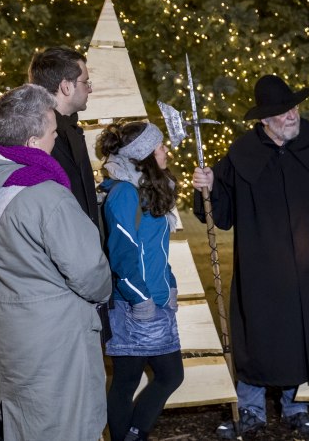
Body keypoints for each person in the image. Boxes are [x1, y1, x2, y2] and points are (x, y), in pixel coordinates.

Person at [192, 74, 309, 439]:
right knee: (256, 332)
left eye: (293, 107)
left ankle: (295, 407)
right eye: (282, 112)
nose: (291, 115)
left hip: (307, 264)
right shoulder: (241, 153)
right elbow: (218, 209)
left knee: (300, 332)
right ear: (264, 120)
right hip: (260, 265)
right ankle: (251, 408)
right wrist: (206, 187)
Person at [0, 84, 112, 440]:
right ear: (31, 141)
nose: (57, 140)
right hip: (54, 346)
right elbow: (91, 274)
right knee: (60, 424)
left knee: (10, 423)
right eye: (53, 132)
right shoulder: (47, 195)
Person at [98, 121, 184, 441]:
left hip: (156, 301)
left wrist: (171, 284)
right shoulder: (123, 192)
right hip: (135, 305)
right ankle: (131, 435)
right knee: (145, 378)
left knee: (146, 377)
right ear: (144, 154)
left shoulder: (147, 190)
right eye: (159, 146)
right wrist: (141, 300)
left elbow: (156, 249)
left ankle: (131, 435)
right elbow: (122, 256)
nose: (165, 150)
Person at [28, 46, 98, 227]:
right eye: (86, 82)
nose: (89, 90)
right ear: (66, 87)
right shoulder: (37, 139)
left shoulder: (72, 130)